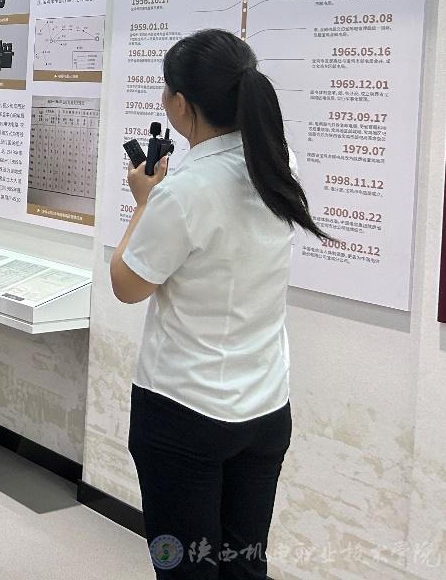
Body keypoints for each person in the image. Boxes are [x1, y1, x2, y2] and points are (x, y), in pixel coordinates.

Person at [110, 29, 328, 580]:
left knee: (182, 567)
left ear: (182, 105)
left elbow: (127, 284)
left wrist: (144, 202)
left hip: (183, 412)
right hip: (265, 406)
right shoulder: (280, 164)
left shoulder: (184, 191)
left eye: (166, 90)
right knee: (243, 565)